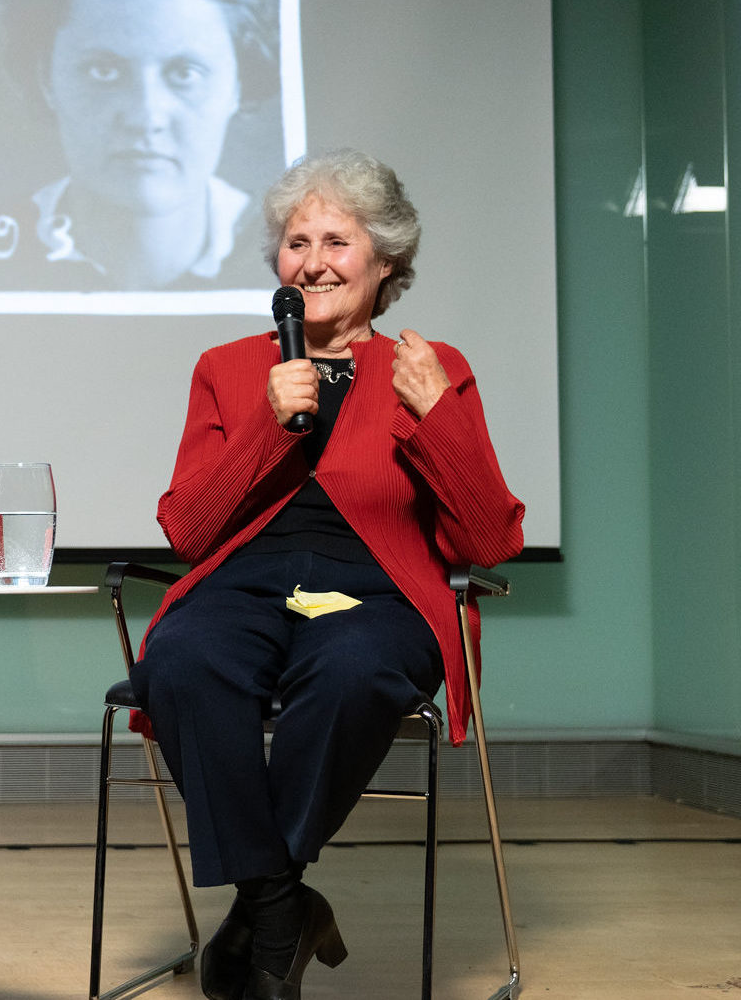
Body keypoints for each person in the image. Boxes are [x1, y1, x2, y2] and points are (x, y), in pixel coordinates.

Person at [128, 149, 523, 999]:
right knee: (185, 661)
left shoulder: (430, 366)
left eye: (337, 241)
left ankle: (263, 910)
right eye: (296, 241)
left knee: (351, 668)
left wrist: (436, 415)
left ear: (384, 263)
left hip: (377, 586)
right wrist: (269, 425)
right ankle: (278, 907)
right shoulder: (230, 368)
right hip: (244, 581)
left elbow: (487, 538)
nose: (312, 261)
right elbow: (190, 530)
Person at [0, 0, 276, 289]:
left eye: (184, 73)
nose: (146, 116)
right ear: (46, 78)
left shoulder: (304, 268)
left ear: (238, 84)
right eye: (104, 71)